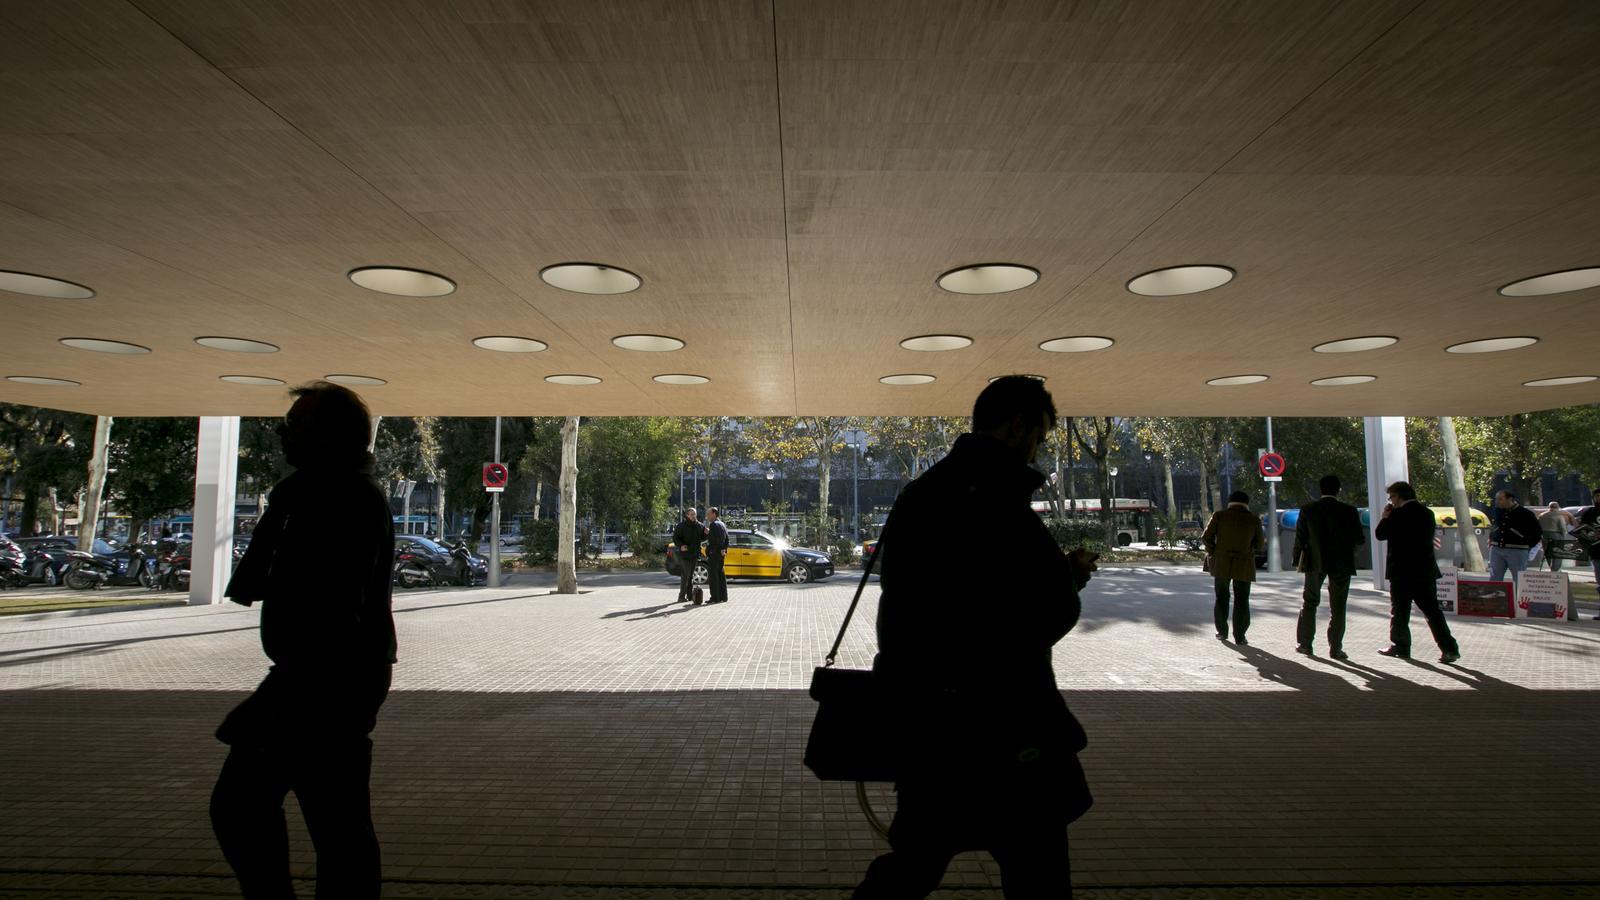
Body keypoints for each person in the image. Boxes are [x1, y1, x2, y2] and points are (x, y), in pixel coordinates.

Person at [854, 376, 1098, 899]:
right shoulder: (1003, 501)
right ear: (1017, 427)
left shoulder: (919, 495)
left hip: (931, 723)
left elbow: (905, 604)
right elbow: (1038, 614)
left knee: (913, 865)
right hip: (1008, 729)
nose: (1037, 451)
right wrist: (1066, 579)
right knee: (1039, 875)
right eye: (1039, 437)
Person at [210, 382, 396, 899]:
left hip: (324, 677)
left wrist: (297, 683)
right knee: (332, 818)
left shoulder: (343, 498)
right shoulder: (316, 493)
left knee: (254, 805)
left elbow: (336, 597)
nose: (283, 435)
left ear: (329, 436)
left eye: (294, 426)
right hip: (322, 673)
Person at [1375, 481, 1460, 663]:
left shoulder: (1396, 514)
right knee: (1433, 612)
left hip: (1401, 571)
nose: (1391, 500)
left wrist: (1385, 517)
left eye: (1392, 497)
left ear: (1399, 496)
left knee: (1400, 611)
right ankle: (1449, 648)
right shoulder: (1427, 513)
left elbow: (1380, 534)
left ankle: (1401, 646)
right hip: (1424, 570)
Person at [1292, 475, 1365, 660]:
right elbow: (1359, 539)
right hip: (1342, 563)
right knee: (1338, 607)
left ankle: (1305, 644)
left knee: (1310, 602)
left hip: (1314, 562)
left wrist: (1296, 561)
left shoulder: (1308, 510)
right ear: (1338, 490)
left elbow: (1300, 538)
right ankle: (1336, 648)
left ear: (1320, 489)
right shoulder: (1349, 511)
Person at [1202, 491, 1263, 644]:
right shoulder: (1253, 520)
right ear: (1246, 503)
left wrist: (1213, 551)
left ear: (1230, 502)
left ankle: (1222, 632)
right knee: (1242, 599)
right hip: (1244, 563)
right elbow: (1260, 544)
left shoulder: (1219, 516)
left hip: (1221, 562)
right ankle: (1240, 636)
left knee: (1221, 597)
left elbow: (1206, 537)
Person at [1488, 489, 1541, 587]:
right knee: (1494, 576)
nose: (1497, 502)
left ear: (1510, 499)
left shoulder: (1525, 513)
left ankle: (1518, 601)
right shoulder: (1497, 511)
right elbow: (1495, 526)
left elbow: (1537, 532)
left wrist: (1527, 545)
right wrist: (1492, 538)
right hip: (1497, 548)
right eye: (1496, 499)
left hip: (1517, 550)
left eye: (1500, 499)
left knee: (1519, 578)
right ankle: (1494, 599)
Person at [672, 508, 707, 603]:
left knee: (691, 576)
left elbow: (703, 538)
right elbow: (675, 538)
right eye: (691, 514)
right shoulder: (681, 526)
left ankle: (690, 596)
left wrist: (706, 534)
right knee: (685, 576)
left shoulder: (699, 525)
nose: (693, 516)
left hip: (695, 554)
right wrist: (680, 546)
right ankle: (681, 596)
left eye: (694, 514)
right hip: (685, 554)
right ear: (687, 515)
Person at [1577, 489, 1600, 619]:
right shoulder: (1589, 513)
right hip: (1596, 553)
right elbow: (1581, 531)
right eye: (1596, 496)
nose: (1598, 498)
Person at [1537, 501, 1575, 571]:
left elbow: (1538, 526)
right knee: (1557, 553)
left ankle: (1550, 565)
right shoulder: (1558, 515)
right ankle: (1555, 569)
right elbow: (1562, 527)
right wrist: (1564, 536)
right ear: (1558, 507)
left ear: (1549, 507)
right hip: (1556, 535)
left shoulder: (1542, 515)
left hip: (1544, 536)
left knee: (1547, 552)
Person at [704, 507, 729, 604]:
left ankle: (715, 597)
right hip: (721, 554)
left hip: (714, 554)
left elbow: (715, 541)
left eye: (708, 514)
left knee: (713, 577)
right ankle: (723, 596)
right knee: (721, 575)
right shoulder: (722, 524)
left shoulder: (713, 525)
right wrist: (724, 550)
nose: (707, 516)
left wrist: (709, 533)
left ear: (714, 514)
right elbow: (727, 539)